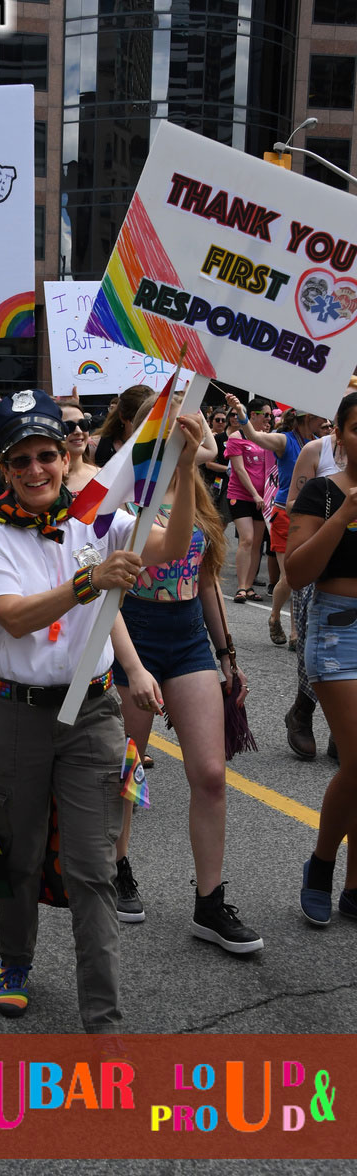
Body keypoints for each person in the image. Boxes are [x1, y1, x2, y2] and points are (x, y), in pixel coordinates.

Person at [0, 389, 204, 1031]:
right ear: (3, 467)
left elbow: (166, 547)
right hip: (15, 714)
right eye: (21, 460)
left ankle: (102, 1015)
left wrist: (181, 468)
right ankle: (15, 961)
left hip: (94, 714)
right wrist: (86, 583)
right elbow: (12, 619)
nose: (37, 470)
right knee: (20, 851)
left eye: (47, 454)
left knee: (93, 866)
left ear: (66, 452)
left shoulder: (95, 516)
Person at [110, 394, 262, 953]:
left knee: (211, 774)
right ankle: (118, 868)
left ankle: (210, 902)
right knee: (127, 769)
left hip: (188, 639)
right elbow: (145, 560)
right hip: (135, 631)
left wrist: (227, 655)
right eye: (161, 414)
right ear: (134, 425)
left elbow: (203, 579)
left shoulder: (196, 480)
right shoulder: (123, 487)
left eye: (181, 410)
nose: (178, 420)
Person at [286, 392, 357, 926]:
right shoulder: (322, 493)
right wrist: (347, 514)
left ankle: (354, 887)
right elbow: (297, 572)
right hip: (339, 631)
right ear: (341, 436)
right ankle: (321, 865)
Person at [225, 394, 325, 642]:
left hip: (312, 515)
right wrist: (241, 412)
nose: (325, 423)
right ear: (309, 418)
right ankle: (292, 630)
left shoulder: (319, 443)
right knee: (290, 574)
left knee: (302, 574)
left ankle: (275, 616)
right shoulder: (284, 440)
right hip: (284, 513)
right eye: (321, 419)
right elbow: (255, 437)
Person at [283, 423, 345, 759]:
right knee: (316, 642)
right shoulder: (315, 451)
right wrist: (333, 512)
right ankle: (302, 713)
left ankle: (340, 727)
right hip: (317, 559)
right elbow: (291, 500)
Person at [224, 397, 274, 603]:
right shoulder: (237, 436)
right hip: (241, 495)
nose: (269, 419)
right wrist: (254, 494)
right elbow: (239, 469)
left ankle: (250, 585)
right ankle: (241, 587)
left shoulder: (266, 437)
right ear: (253, 415)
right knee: (247, 539)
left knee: (257, 544)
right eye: (266, 415)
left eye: (271, 415)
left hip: (262, 499)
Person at [87, 384, 153, 465]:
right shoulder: (95, 447)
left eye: (152, 422)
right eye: (139, 423)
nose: (146, 428)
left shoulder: (162, 447)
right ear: (123, 417)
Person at [57, 400, 98, 494]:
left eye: (83, 424)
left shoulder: (104, 477)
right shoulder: (42, 482)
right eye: (69, 426)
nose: (78, 431)